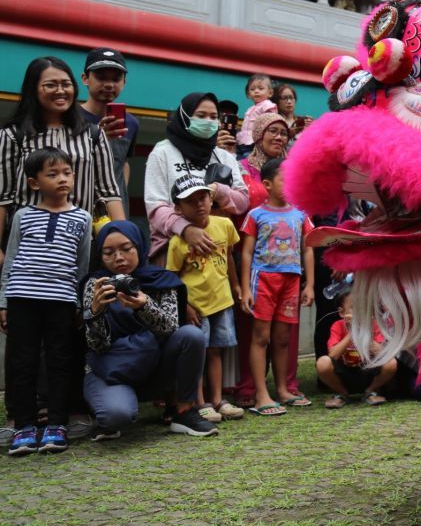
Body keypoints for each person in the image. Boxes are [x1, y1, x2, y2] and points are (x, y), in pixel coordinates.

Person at [81, 221, 217, 439]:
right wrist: (95, 312)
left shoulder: (161, 280)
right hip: (111, 369)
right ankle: (111, 403)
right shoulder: (97, 284)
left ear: (139, 246)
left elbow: (171, 328)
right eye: (109, 252)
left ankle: (183, 412)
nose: (118, 258)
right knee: (116, 416)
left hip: (153, 365)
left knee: (191, 335)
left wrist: (145, 307)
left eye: (126, 249)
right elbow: (96, 345)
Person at [0, 149, 92, 455]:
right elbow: (11, 260)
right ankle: (24, 426)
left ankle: (56, 423)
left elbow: (81, 266)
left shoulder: (82, 218)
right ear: (34, 182)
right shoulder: (23, 216)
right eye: (52, 174)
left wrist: (78, 304)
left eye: (66, 172)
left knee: (59, 361)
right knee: (22, 362)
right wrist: (3, 301)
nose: (62, 179)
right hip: (22, 297)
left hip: (61, 301)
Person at [0, 57, 125, 254]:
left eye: (66, 84)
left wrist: (124, 239)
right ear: (33, 89)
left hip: (79, 243)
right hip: (27, 244)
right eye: (50, 85)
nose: (60, 90)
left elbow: (108, 192)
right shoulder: (14, 134)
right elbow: (3, 197)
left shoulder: (93, 134)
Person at [239, 158, 315, 416]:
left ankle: (283, 389)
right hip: (264, 280)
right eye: (285, 178)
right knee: (260, 337)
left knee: (282, 338)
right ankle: (261, 394)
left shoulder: (300, 213)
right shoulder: (256, 215)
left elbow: (308, 249)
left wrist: (310, 285)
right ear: (268, 184)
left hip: (291, 280)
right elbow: (247, 253)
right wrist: (245, 289)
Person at [165, 177, 243, 423]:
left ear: (211, 199)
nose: (199, 205)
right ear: (178, 208)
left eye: (203, 198)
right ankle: (200, 402)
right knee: (198, 353)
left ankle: (218, 399)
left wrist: (236, 285)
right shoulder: (178, 242)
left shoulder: (225, 225)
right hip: (196, 307)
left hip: (222, 301)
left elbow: (229, 256)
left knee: (216, 351)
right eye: (190, 201)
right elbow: (172, 278)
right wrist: (185, 306)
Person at [143, 92, 248, 262]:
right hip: (172, 251)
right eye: (201, 115)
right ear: (185, 117)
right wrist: (186, 229)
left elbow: (242, 202)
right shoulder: (163, 153)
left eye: (214, 117)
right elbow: (155, 207)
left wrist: (217, 191)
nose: (208, 121)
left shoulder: (225, 156)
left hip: (218, 252)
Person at [80, 48, 140, 218]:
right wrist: (98, 138)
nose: (109, 84)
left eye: (116, 79)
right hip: (78, 206)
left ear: (124, 82)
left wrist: (120, 192)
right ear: (85, 79)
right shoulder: (70, 118)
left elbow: (124, 163)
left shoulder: (131, 123)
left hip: (115, 211)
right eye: (101, 77)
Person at [317, 292, 396, 407]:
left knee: (391, 362)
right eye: (354, 307)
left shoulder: (374, 324)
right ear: (342, 312)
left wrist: (362, 331)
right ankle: (341, 393)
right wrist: (352, 332)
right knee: (322, 363)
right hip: (344, 374)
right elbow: (333, 355)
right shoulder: (337, 326)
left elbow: (381, 352)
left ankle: (371, 391)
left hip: (368, 371)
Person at [237, 73, 277, 157]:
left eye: (261, 88)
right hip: (244, 141)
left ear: (270, 93)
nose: (256, 91)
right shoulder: (251, 108)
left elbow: (271, 121)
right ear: (248, 94)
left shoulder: (267, 105)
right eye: (252, 89)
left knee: (248, 161)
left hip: (255, 142)